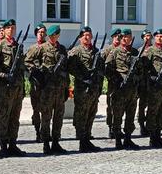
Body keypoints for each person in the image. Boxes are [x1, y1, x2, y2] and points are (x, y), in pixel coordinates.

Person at [25, 25, 69, 154]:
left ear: (58, 35)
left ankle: (56, 142)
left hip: (60, 89)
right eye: (51, 36)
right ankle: (45, 143)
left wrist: (67, 87)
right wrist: (37, 74)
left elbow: (65, 70)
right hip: (47, 89)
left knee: (58, 117)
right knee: (46, 117)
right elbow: (27, 61)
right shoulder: (42, 48)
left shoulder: (62, 50)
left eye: (55, 35)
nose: (53, 37)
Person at [0, 19, 26, 157]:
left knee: (15, 117)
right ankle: (3, 145)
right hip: (4, 88)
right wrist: (3, 75)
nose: (11, 30)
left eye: (13, 28)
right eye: (8, 28)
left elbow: (22, 67)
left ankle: (13, 144)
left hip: (17, 88)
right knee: (4, 116)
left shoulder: (18, 46)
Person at [68, 26, 104, 152]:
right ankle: (82, 140)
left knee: (91, 114)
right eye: (85, 36)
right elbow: (70, 67)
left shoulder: (96, 51)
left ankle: (87, 138)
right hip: (82, 89)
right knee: (81, 114)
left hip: (94, 89)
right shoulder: (76, 51)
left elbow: (100, 69)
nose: (87, 38)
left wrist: (99, 85)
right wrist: (82, 77)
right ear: (80, 38)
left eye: (89, 35)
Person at [105, 28, 143, 150]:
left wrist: (136, 77)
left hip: (132, 90)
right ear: (121, 38)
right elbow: (107, 69)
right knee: (118, 115)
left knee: (130, 115)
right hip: (119, 90)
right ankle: (117, 139)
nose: (127, 39)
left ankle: (128, 138)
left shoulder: (135, 53)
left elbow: (141, 70)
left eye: (129, 37)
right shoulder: (114, 52)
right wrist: (116, 80)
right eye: (125, 37)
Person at [143, 29, 162, 148]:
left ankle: (158, 135)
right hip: (154, 87)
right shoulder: (150, 51)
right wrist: (151, 78)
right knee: (153, 112)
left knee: (161, 112)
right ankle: (152, 137)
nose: (161, 38)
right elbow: (144, 67)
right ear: (154, 38)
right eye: (158, 36)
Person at [25, 23, 46, 142]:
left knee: (46, 109)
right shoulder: (32, 49)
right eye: (39, 33)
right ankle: (38, 131)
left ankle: (45, 132)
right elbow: (26, 63)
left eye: (43, 32)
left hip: (46, 83)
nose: (41, 35)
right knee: (36, 109)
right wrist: (34, 71)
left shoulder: (49, 47)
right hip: (36, 83)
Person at [102, 28, 122, 138]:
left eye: (120, 37)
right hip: (112, 83)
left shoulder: (123, 49)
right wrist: (110, 77)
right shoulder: (107, 50)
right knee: (111, 106)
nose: (118, 39)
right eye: (116, 37)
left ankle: (118, 128)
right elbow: (103, 67)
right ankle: (110, 127)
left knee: (120, 107)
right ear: (113, 37)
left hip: (122, 83)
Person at [137, 28, 153, 136]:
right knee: (142, 105)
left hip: (152, 81)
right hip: (142, 82)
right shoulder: (139, 51)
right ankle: (142, 125)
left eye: (149, 36)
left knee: (152, 104)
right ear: (143, 38)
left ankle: (150, 125)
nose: (148, 38)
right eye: (146, 36)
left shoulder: (154, 49)